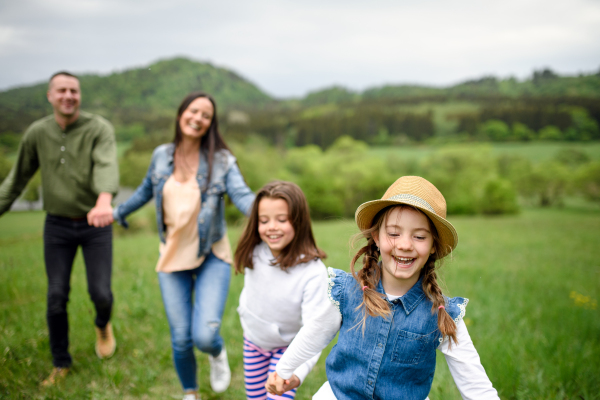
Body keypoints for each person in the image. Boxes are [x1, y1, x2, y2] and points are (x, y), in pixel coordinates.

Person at [267, 176, 500, 400]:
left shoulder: (442, 314)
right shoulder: (348, 291)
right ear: (376, 236)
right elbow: (313, 335)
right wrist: (283, 371)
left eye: (419, 236)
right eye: (394, 233)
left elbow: (474, 382)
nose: (405, 245)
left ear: (433, 246)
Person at [112, 92, 255, 400]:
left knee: (203, 335)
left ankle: (216, 352)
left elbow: (242, 196)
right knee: (180, 338)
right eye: (193, 111)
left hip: (212, 256)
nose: (198, 118)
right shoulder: (161, 155)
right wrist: (117, 213)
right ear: (181, 114)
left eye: (206, 115)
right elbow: (144, 191)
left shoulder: (221, 161)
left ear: (211, 124)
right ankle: (190, 393)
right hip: (173, 256)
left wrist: (274, 209)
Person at [0, 71, 119, 386]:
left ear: (80, 96)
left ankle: (103, 324)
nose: (69, 95)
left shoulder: (98, 128)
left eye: (74, 90)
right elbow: (16, 180)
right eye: (62, 90)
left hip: (96, 223)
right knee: (56, 295)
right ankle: (60, 363)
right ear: (50, 96)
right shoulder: (37, 133)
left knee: (101, 293)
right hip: (57, 226)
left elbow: (107, 165)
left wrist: (104, 201)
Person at [234, 181, 328, 400]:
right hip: (254, 343)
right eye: (264, 220)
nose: (271, 227)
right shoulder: (255, 252)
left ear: (299, 221)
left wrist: (297, 371)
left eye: (282, 220)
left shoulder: (313, 272)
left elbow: (315, 330)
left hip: (288, 350)